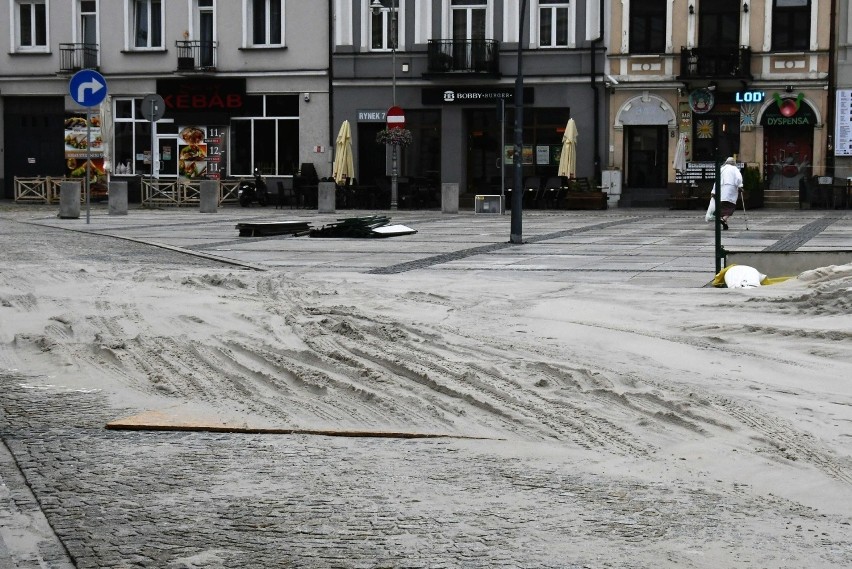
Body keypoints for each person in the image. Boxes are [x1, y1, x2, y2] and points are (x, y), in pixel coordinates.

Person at [712, 157, 744, 230]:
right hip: (731, 189)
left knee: (723, 206)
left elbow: (716, 180)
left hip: (721, 189)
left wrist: (713, 191)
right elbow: (738, 178)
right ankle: (724, 219)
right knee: (730, 206)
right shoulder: (734, 169)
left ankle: (725, 223)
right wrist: (740, 186)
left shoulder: (721, 169)